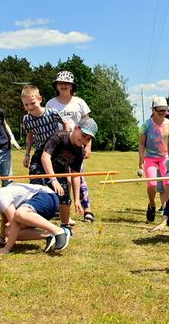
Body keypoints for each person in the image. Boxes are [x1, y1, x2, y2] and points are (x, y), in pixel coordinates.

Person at [30, 117, 98, 233]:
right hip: (39, 166)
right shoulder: (60, 137)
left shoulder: (80, 152)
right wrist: (53, 180)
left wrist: (77, 200)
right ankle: (30, 220)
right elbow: (45, 158)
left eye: (88, 139)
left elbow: (76, 175)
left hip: (59, 170)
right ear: (76, 128)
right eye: (83, 135)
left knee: (65, 197)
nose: (84, 140)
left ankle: (65, 226)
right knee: (40, 194)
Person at [0, 183, 70, 255]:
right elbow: (5, 219)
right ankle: (49, 235)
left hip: (47, 197)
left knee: (19, 215)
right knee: (10, 232)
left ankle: (59, 231)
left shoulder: (0, 196)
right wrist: (1, 238)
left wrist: (6, 249)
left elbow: (15, 223)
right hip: (41, 208)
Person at [46, 70, 95, 222]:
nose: (64, 85)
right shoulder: (50, 103)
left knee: (78, 176)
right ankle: (57, 208)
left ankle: (87, 209)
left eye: (67, 83)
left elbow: (89, 125)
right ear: (56, 85)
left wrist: (88, 146)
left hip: (77, 143)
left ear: (72, 86)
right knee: (60, 177)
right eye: (61, 83)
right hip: (59, 145)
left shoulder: (80, 102)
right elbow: (48, 125)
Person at [138, 96, 169, 222]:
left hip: (164, 158)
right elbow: (142, 143)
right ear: (153, 110)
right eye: (159, 110)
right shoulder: (146, 125)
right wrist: (141, 159)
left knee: (168, 184)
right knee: (152, 183)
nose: (162, 113)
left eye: (164, 110)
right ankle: (152, 205)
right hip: (150, 158)